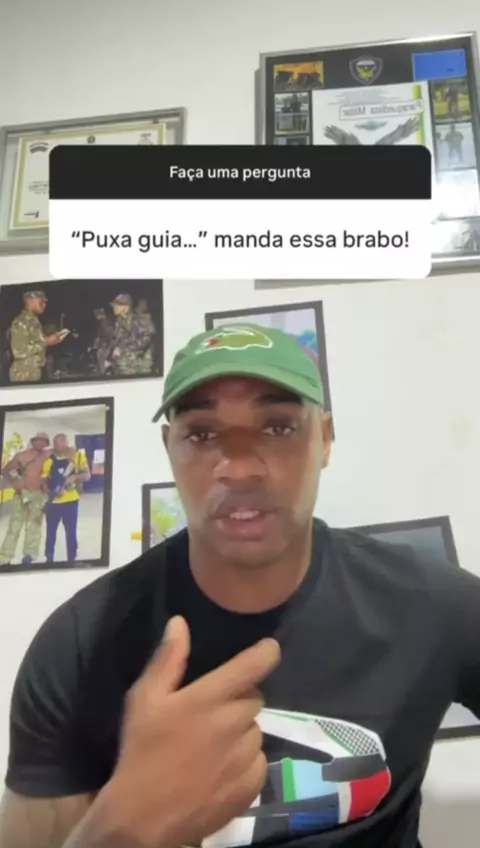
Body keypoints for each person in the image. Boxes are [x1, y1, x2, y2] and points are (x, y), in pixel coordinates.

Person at [0, 322, 479, 848]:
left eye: (278, 427)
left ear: (326, 439)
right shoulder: (77, 648)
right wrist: (121, 827)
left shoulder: (435, 606)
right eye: (202, 434)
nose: (241, 468)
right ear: (170, 447)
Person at [0, 433, 51, 566]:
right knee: (14, 527)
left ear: (46, 443)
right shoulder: (22, 456)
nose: (41, 443)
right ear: (33, 441)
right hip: (21, 494)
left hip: (39, 495)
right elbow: (5, 470)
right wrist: (15, 479)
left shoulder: (49, 455)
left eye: (44, 441)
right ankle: (5, 557)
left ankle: (29, 555)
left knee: (34, 526)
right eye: (38, 440)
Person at [41, 434, 90, 564]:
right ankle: (49, 557)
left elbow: (87, 475)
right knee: (50, 532)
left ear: (66, 442)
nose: (57, 445)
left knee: (71, 532)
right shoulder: (49, 459)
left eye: (60, 442)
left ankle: (71, 558)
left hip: (71, 501)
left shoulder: (78, 457)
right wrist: (50, 492)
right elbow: (43, 481)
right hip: (53, 502)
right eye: (55, 443)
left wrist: (73, 478)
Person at [8, 291, 68, 383]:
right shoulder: (20, 322)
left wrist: (54, 340)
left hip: (36, 373)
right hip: (24, 376)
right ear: (29, 300)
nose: (44, 305)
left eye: (45, 302)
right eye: (41, 302)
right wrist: (47, 342)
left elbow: (37, 343)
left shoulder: (35, 322)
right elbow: (18, 351)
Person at [109, 293, 155, 376]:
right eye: (114, 305)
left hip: (140, 363)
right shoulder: (120, 321)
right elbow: (115, 340)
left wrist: (122, 349)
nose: (114, 308)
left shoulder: (141, 320)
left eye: (118, 305)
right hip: (126, 362)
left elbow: (145, 341)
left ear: (126, 307)